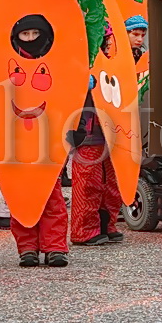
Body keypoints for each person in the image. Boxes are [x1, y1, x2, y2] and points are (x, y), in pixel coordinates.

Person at [0, 16, 69, 267]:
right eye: (26, 35)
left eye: (36, 33)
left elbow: (68, 96)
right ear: (17, 37)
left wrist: (72, 129)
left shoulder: (56, 61)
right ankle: (27, 247)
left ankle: (55, 246)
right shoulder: (5, 62)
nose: (32, 39)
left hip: (48, 140)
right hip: (14, 140)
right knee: (20, 197)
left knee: (52, 196)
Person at [70, 27, 122, 247]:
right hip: (87, 128)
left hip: (109, 127)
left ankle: (105, 224)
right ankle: (83, 230)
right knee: (87, 181)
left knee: (111, 182)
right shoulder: (76, 58)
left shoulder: (113, 60)